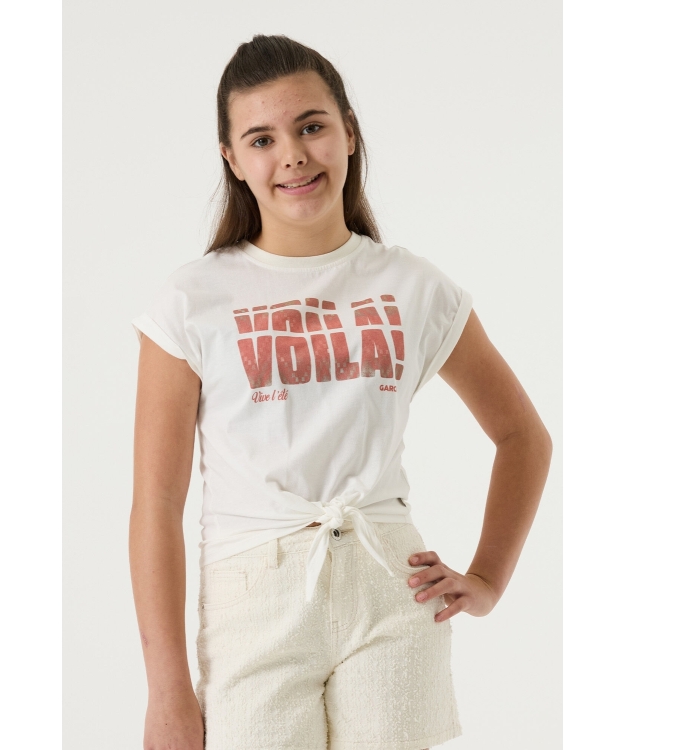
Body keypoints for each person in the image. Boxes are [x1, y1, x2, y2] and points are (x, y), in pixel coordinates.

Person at [130, 34, 552, 750]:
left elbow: (523, 437)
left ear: (348, 133)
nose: (292, 155)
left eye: (311, 126)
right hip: (252, 606)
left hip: (390, 589)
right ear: (232, 159)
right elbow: (157, 504)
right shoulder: (191, 302)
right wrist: (167, 690)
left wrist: (487, 577)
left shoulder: (412, 286)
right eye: (261, 139)